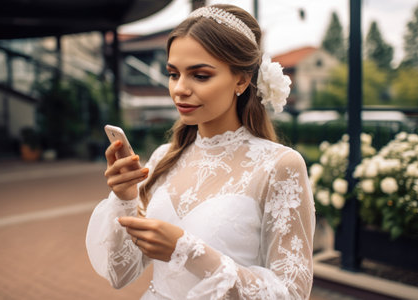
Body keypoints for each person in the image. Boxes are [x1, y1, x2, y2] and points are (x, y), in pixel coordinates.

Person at [86, 4, 315, 299]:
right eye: (173, 73)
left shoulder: (279, 165)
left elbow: (292, 293)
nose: (180, 89)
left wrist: (187, 250)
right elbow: (122, 274)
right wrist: (126, 199)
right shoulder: (162, 159)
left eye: (200, 75)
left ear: (242, 80)